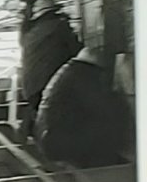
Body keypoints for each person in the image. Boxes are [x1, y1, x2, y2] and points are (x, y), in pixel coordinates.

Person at [37, 41, 134, 171]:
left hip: (50, 139)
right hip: (61, 145)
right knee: (110, 126)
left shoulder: (72, 70)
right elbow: (106, 110)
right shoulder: (84, 75)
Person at [19, 0, 83, 134]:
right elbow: (78, 52)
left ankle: (32, 125)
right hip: (46, 87)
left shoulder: (30, 31)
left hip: (29, 89)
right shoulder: (59, 27)